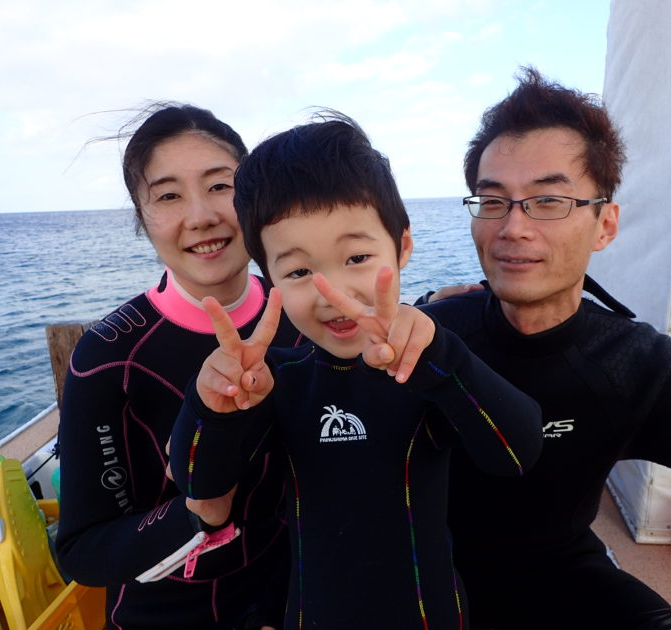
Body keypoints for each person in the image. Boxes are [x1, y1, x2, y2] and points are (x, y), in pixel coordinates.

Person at [419, 67, 671, 630]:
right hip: (424, 575)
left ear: (605, 225)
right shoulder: (429, 339)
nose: (513, 227)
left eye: (548, 200)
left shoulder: (636, 366)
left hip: (559, 571)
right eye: (492, 200)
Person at [168, 113, 544, 629]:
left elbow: (517, 453)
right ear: (268, 277)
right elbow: (201, 486)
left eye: (357, 256)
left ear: (403, 246)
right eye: (300, 271)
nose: (333, 293)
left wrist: (443, 358)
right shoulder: (277, 381)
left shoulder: (427, 364)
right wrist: (212, 405)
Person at [55, 104, 303, 630]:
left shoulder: (306, 315)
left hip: (299, 598)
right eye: (168, 195)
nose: (201, 216)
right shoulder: (108, 357)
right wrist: (198, 514)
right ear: (142, 218)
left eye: (221, 186)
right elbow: (83, 551)